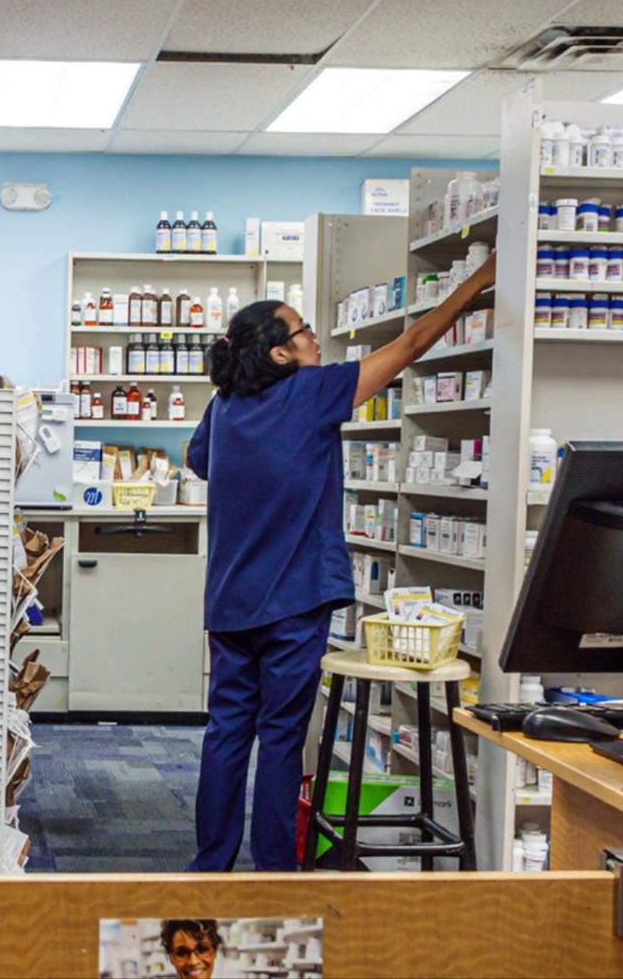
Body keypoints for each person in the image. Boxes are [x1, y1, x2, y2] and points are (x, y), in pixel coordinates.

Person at [185, 254, 497, 873]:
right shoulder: (312, 392)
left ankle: (210, 866)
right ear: (279, 354)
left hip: (230, 602)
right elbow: (409, 343)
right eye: (302, 331)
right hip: (293, 603)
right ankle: (274, 872)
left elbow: (200, 462)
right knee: (278, 738)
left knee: (225, 734)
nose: (314, 339)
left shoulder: (225, 406)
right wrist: (479, 283)